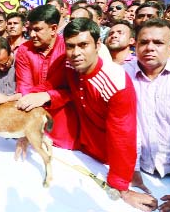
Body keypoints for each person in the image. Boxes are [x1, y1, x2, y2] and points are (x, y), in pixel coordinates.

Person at [53, 18, 156, 211]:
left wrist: (121, 186)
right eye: (70, 46)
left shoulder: (116, 81)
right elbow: (50, 88)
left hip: (106, 160)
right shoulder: (67, 64)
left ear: (98, 45)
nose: (76, 53)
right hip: (77, 150)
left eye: (83, 45)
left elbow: (123, 136)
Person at [123, 19, 170, 212]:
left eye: (158, 43)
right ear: (135, 44)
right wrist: (130, 173)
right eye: (144, 42)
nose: (149, 48)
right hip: (137, 171)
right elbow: (122, 126)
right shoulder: (122, 74)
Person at [0, 4, 79, 149]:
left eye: (37, 29)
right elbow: (25, 89)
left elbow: (73, 89)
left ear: (53, 29)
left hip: (64, 125)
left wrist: (48, 96)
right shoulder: (24, 50)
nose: (32, 35)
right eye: (30, 30)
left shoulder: (69, 48)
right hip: (31, 121)